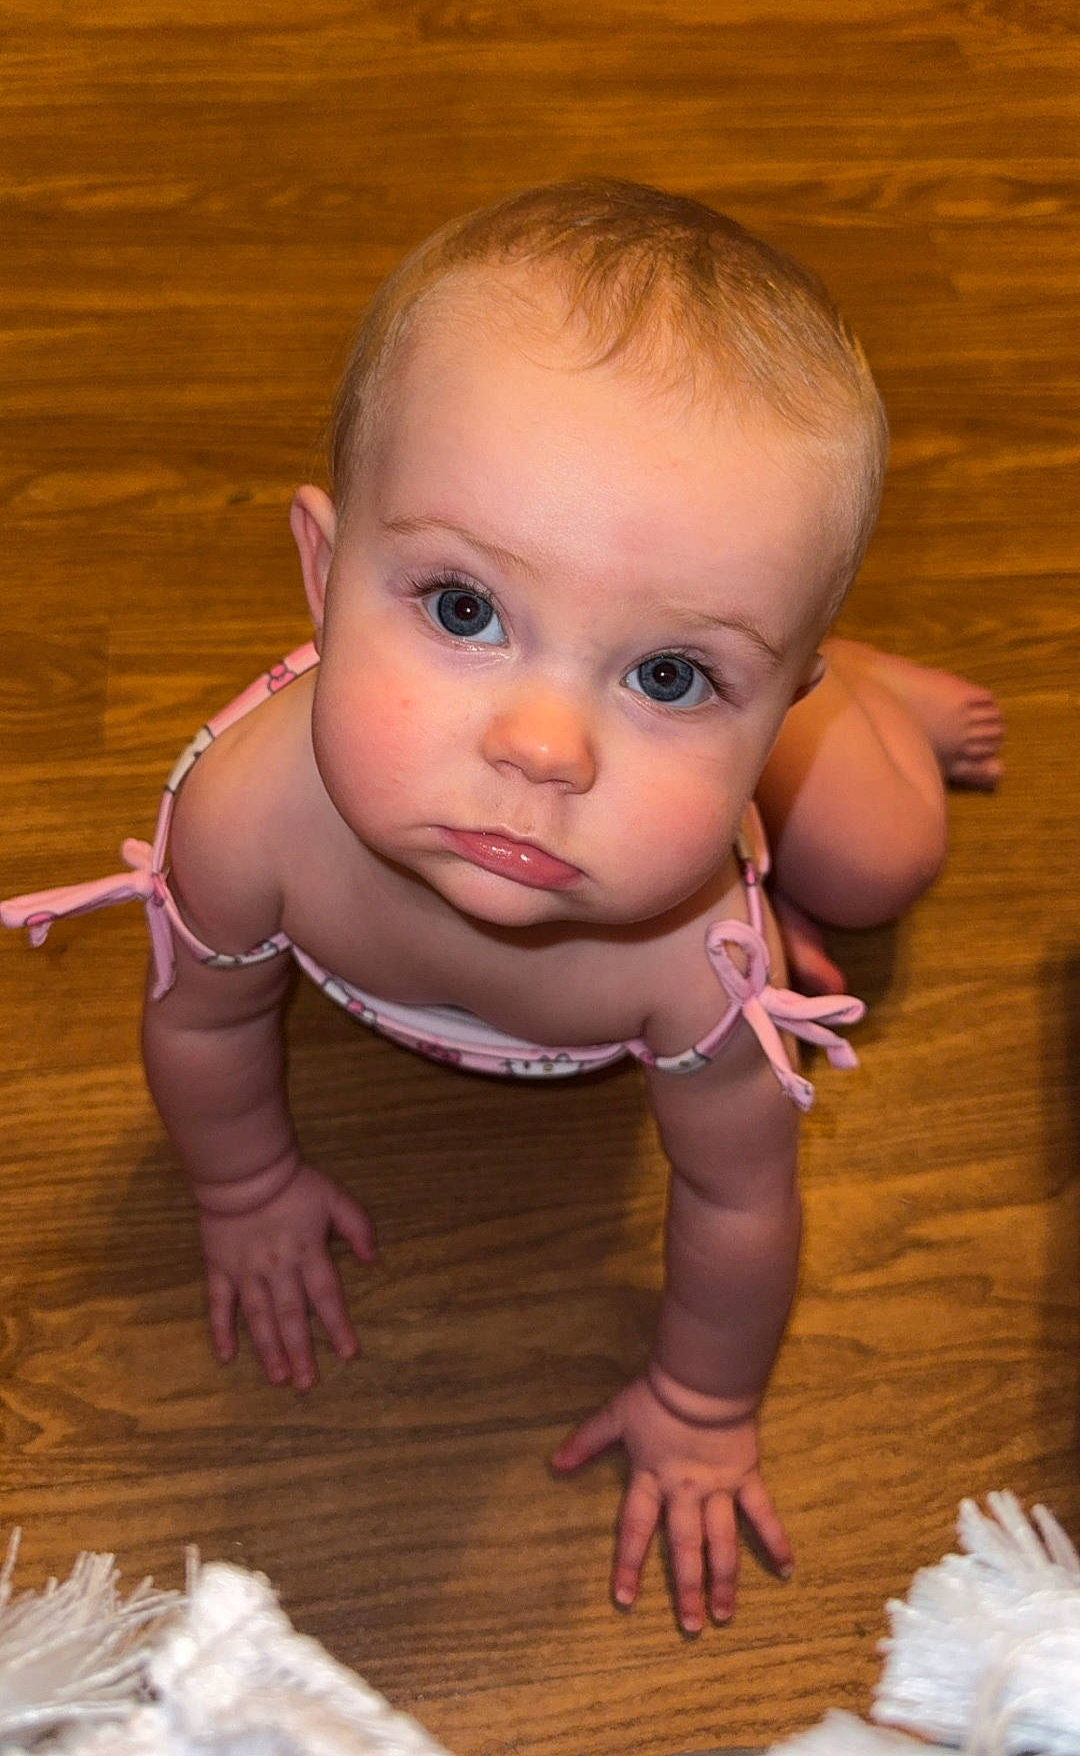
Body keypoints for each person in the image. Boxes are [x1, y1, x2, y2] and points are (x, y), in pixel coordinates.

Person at [1, 182, 1003, 1635]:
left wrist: (705, 1401)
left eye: (670, 674)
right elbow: (204, 1016)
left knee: (883, 857)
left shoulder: (697, 959)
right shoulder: (243, 811)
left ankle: (856, 691)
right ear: (324, 574)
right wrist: (242, 1185)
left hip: (773, 774)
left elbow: (736, 1195)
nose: (545, 747)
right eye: (465, 609)